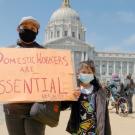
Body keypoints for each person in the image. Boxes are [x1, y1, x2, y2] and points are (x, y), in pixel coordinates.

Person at [3, 16, 45, 135]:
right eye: (25, 27)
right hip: (12, 109)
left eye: (33, 28)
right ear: (18, 29)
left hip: (36, 109)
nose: (29, 30)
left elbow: (55, 80)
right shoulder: (7, 53)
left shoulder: (45, 54)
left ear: (37, 32)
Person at [61, 60, 111, 135]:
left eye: (89, 73)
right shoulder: (75, 89)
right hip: (77, 129)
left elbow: (104, 115)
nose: (86, 75)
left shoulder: (99, 91)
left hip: (94, 130)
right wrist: (71, 96)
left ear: (93, 74)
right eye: (84, 72)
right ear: (78, 73)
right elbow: (62, 106)